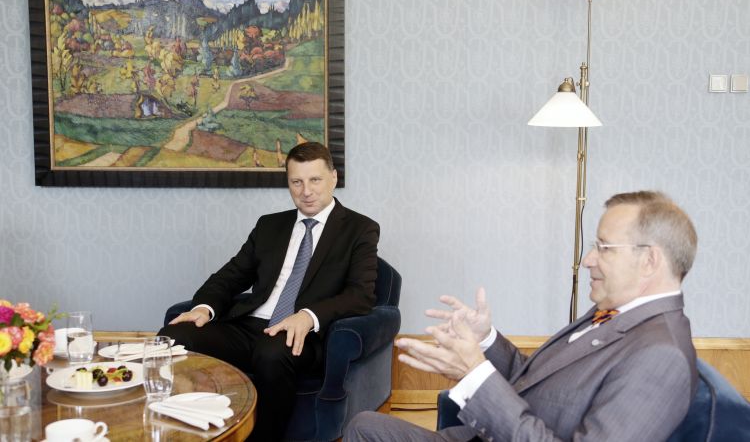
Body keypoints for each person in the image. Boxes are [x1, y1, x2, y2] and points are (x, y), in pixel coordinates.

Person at [345, 191, 698, 442]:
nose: (587, 260)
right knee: (364, 425)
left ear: (649, 261)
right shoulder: (613, 312)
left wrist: (474, 376)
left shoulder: (660, 355)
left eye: (603, 248)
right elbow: (541, 383)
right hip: (483, 434)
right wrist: (486, 340)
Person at [160, 142, 379, 441]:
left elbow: (361, 295)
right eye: (296, 182)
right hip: (249, 326)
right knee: (174, 337)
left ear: (333, 178)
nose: (306, 191)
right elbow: (231, 276)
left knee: (271, 353)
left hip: (302, 335)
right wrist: (204, 308)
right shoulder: (270, 225)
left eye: (315, 180)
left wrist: (308, 316)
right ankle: (192, 434)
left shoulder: (359, 229)